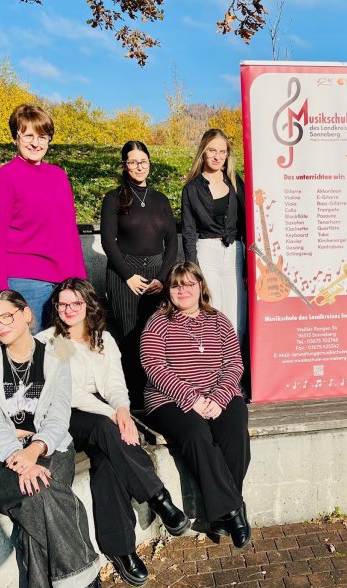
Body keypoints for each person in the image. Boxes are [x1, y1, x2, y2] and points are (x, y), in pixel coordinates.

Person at [38, 278, 190, 587]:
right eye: (62, 304)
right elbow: (71, 394)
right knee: (103, 427)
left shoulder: (104, 338)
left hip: (101, 416)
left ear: (88, 305)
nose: (68, 309)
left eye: (75, 303)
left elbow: (116, 384)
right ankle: (159, 498)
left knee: (109, 463)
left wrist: (122, 410)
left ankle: (121, 549)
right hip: (62, 416)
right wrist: (113, 415)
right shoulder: (49, 342)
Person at [0, 290, 101, 588]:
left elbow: (58, 414)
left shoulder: (56, 355)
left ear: (26, 314)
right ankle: (87, 581)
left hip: (49, 448)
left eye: (6, 316)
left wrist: (35, 449)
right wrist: (18, 457)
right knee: (40, 493)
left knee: (36, 502)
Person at [140, 261, 251, 548]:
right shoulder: (159, 322)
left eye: (190, 283)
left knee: (234, 433)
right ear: (169, 291)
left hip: (220, 394)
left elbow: (234, 364)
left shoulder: (219, 320)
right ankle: (233, 511)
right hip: (169, 399)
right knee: (196, 434)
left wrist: (219, 397)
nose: (183, 290)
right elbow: (153, 365)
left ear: (201, 286)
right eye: (176, 285)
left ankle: (219, 514)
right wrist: (192, 398)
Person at [0, 104, 87, 332]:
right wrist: (3, 294)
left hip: (65, 282)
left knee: (62, 354)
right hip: (25, 282)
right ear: (15, 138)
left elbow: (69, 232)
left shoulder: (58, 176)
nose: (35, 143)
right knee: (31, 355)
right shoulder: (4, 178)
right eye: (28, 135)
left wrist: (81, 282)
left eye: (42, 136)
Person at [100, 141, 178, 410]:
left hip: (157, 274)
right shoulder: (114, 198)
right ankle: (133, 399)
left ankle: (156, 393)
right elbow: (109, 242)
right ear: (124, 165)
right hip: (125, 274)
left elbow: (172, 243)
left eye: (142, 161)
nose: (138, 166)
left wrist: (163, 276)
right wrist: (128, 276)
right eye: (132, 162)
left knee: (156, 335)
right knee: (131, 336)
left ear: (149, 163)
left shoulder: (160, 199)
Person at [181, 129, 247, 344]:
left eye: (222, 151)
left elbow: (247, 224)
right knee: (213, 311)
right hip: (207, 252)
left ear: (228, 155)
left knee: (238, 316)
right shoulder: (191, 189)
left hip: (235, 253)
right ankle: (214, 371)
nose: (217, 156)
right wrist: (193, 270)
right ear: (203, 152)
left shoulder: (235, 182)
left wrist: (248, 265)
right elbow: (189, 232)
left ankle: (235, 375)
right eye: (212, 150)